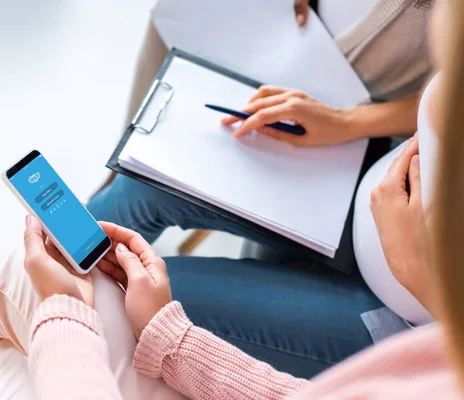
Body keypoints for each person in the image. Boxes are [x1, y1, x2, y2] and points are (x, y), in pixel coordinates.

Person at [85, 0, 436, 377]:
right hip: (364, 188)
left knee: (135, 296)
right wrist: (350, 123)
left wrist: (421, 277)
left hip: (403, 317)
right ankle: (45, 263)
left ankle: (43, 289)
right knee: (141, 189)